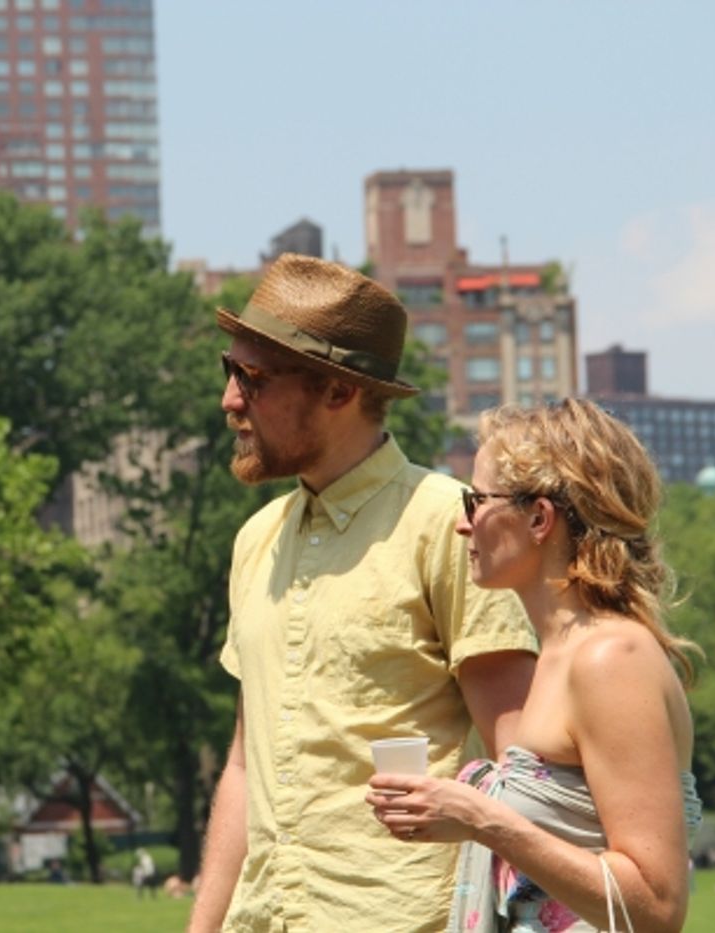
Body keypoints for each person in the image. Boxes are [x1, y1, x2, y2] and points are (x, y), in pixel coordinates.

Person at [187, 255, 539, 933]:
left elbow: (517, 764)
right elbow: (242, 763)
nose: (230, 400)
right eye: (228, 371)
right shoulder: (255, 540)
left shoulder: (448, 524)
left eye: (252, 378)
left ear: (340, 391)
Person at [368, 399, 704, 932]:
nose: (462, 524)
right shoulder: (562, 653)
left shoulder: (610, 658)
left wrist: (481, 819)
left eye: (476, 500)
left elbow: (656, 907)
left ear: (539, 518)